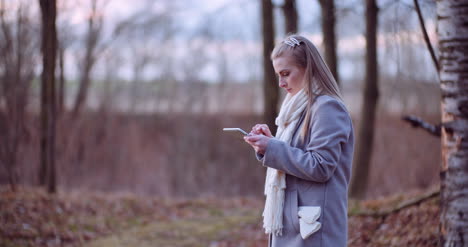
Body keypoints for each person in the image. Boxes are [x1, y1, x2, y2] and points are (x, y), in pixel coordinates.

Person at [244, 34, 354, 247]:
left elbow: (321, 166)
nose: (281, 83)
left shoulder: (327, 108)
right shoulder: (296, 109)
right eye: (278, 75)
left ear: (308, 68)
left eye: (286, 74)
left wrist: (274, 149)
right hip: (295, 225)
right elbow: (299, 154)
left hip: (313, 229)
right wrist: (269, 144)